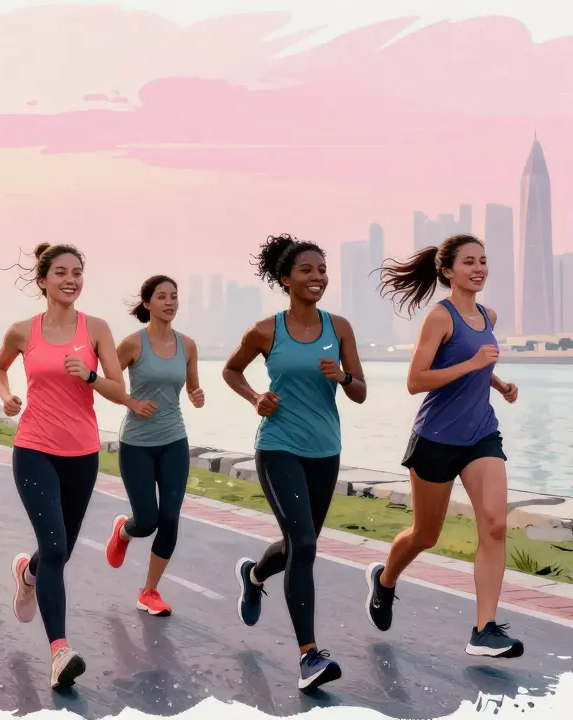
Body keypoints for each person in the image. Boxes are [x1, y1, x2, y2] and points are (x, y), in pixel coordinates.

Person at [0, 243, 147, 690]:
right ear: (42, 281)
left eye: (77, 272)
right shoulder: (23, 331)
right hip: (34, 448)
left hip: (82, 454)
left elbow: (121, 391)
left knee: (60, 551)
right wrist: (5, 396)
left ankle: (27, 573)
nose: (70, 280)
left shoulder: (95, 329)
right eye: (60, 272)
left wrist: (92, 377)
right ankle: (60, 652)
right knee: (56, 548)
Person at [364, 234, 522, 659]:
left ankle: (484, 629)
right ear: (448, 270)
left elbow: (476, 363)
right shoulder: (439, 317)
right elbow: (416, 380)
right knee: (425, 535)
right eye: (469, 261)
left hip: (481, 435)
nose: (479, 268)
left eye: (484, 261)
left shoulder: (488, 314)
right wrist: (473, 364)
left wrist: (498, 382)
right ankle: (384, 580)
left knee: (494, 525)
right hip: (435, 437)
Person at [223, 234, 366, 694]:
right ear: (285, 279)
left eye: (322, 270)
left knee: (298, 545)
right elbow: (231, 370)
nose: (317, 277)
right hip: (279, 446)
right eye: (307, 270)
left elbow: (360, 390)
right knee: (303, 542)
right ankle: (309, 656)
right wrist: (254, 397)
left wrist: (343, 377)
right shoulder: (266, 330)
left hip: (326, 450)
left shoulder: (339, 327)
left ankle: (255, 574)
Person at [103, 275, 204, 617]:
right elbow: (107, 383)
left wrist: (197, 395)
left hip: (174, 440)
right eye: (162, 297)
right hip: (137, 444)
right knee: (147, 521)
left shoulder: (188, 345)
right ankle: (124, 530)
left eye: (174, 296)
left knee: (170, 517)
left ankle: (149, 591)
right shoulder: (133, 344)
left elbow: (192, 388)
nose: (170, 302)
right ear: (147, 304)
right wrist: (132, 403)